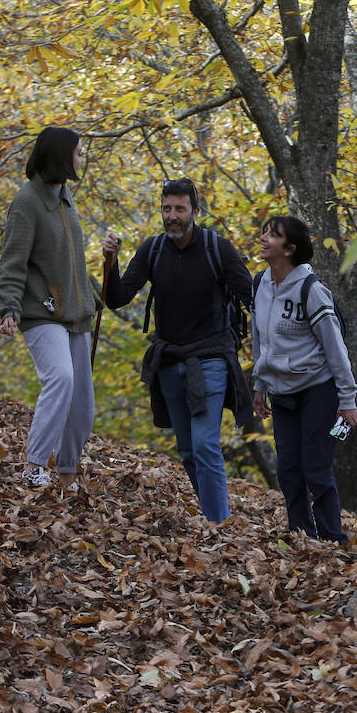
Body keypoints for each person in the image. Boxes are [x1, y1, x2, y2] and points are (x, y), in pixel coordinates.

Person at [101, 178, 253, 523]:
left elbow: (253, 298)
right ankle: (214, 517)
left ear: (195, 212)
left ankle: (220, 526)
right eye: (167, 208)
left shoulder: (219, 248)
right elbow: (118, 298)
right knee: (187, 450)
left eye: (180, 209)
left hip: (212, 358)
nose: (172, 216)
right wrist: (111, 263)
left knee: (204, 445)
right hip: (169, 361)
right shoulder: (152, 249)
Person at [0, 126, 99, 489]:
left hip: (75, 313)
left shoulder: (65, 197)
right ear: (60, 156)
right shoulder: (27, 202)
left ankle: (67, 479)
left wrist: (97, 293)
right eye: (78, 152)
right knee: (61, 377)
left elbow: (74, 261)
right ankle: (34, 466)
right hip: (40, 311)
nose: (81, 159)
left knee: (83, 407)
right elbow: (12, 262)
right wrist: (8, 307)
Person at [250, 215, 357, 543]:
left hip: (319, 389)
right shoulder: (259, 284)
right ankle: (301, 536)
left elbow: (335, 349)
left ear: (290, 249)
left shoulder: (312, 291)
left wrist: (347, 400)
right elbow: (260, 340)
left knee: (315, 467)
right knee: (288, 469)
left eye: (273, 235)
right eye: (266, 232)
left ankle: (332, 540)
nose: (264, 238)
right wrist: (260, 384)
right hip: (282, 391)